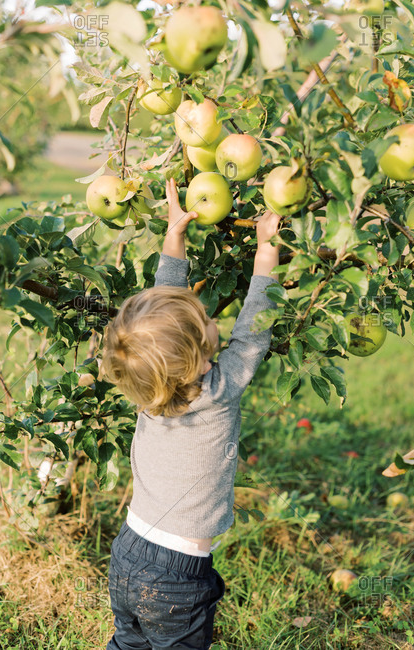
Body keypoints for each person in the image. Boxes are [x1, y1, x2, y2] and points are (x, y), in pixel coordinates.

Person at [101, 178, 282, 650]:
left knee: (128, 645)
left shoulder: (148, 388)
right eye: (205, 324)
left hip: (126, 554)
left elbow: (163, 306)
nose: (211, 320)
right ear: (196, 362)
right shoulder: (219, 390)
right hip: (176, 581)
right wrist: (266, 258)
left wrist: (174, 236)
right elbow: (252, 335)